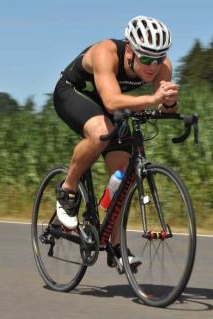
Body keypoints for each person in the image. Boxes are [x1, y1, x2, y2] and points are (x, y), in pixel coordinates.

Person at [52, 16, 179, 269]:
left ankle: (116, 244)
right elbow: (111, 102)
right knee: (101, 130)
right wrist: (154, 98)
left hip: (110, 102)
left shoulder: (162, 65)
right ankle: (68, 190)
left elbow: (166, 106)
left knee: (121, 173)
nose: (153, 65)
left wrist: (171, 103)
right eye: (145, 58)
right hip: (73, 93)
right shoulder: (105, 52)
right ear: (130, 50)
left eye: (158, 57)